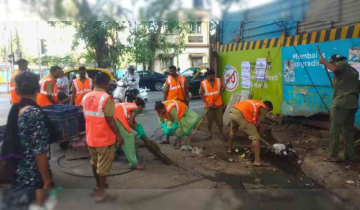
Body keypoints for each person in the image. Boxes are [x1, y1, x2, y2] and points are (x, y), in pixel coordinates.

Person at [2, 72, 54, 190]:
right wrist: (46, 181)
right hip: (32, 174)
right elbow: (39, 151)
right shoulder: (34, 113)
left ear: (17, 91)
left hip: (18, 170)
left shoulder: (16, 109)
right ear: (39, 88)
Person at [82, 72, 124, 202]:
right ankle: (101, 193)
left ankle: (98, 185)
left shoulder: (86, 96)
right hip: (104, 138)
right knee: (103, 167)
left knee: (94, 163)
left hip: (90, 137)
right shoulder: (106, 98)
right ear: (106, 84)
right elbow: (110, 119)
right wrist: (119, 136)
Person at [319, 54, 359, 162]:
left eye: (331, 63)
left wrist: (324, 61)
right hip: (353, 103)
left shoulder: (341, 65)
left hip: (342, 102)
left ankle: (333, 155)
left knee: (335, 129)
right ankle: (350, 155)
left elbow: (335, 68)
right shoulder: (354, 71)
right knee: (348, 130)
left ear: (334, 61)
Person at [228, 100, 273, 167]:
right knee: (255, 137)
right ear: (267, 106)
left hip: (232, 112)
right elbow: (258, 125)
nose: (267, 112)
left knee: (233, 130)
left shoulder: (256, 103)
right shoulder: (263, 108)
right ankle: (257, 161)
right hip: (241, 115)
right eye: (268, 110)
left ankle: (230, 149)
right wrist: (256, 134)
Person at [114, 98, 146, 169]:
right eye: (141, 108)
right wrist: (139, 131)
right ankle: (134, 163)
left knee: (114, 137)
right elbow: (131, 123)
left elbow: (133, 122)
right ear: (140, 106)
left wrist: (138, 129)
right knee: (129, 138)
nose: (141, 110)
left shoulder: (129, 105)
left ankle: (112, 155)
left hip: (111, 116)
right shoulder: (135, 108)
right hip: (117, 117)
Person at [199, 69, 225, 141]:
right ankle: (210, 134)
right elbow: (201, 94)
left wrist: (223, 89)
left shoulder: (219, 81)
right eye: (210, 77)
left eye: (213, 77)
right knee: (209, 122)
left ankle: (221, 135)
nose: (212, 78)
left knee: (220, 121)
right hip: (208, 106)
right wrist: (207, 104)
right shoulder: (203, 83)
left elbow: (221, 90)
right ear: (207, 76)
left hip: (218, 105)